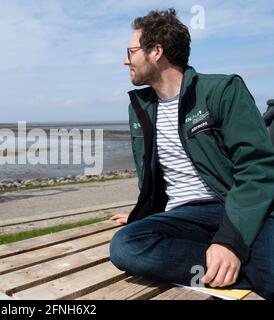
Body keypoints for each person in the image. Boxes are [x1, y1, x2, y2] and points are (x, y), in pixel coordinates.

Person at [109, 8, 274, 300]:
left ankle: (234, 261)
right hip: (185, 216)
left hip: (235, 207)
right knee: (126, 245)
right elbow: (157, 175)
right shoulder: (141, 108)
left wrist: (230, 240)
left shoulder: (222, 90)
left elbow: (257, 168)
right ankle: (231, 271)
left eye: (131, 51)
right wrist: (143, 214)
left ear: (156, 51)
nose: (125, 60)